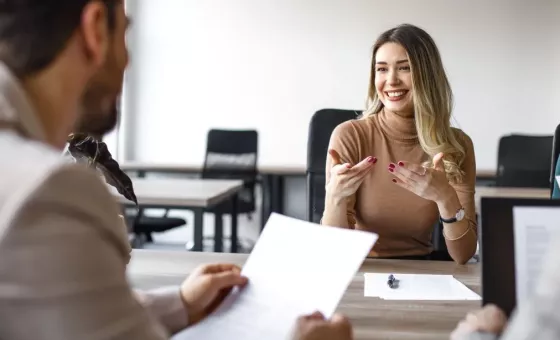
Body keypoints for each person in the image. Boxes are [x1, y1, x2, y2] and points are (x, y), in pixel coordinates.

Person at [0, 1, 352, 339]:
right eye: (126, 34)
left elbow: (64, 317)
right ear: (95, 31)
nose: (128, 60)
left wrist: (180, 305)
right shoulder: (48, 191)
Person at [322, 23, 477, 264]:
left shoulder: (457, 145)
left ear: (427, 75)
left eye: (404, 68)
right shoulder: (350, 135)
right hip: (359, 270)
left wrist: (446, 198)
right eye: (381, 70)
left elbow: (464, 255)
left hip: (421, 272)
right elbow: (334, 253)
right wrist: (335, 197)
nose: (391, 80)